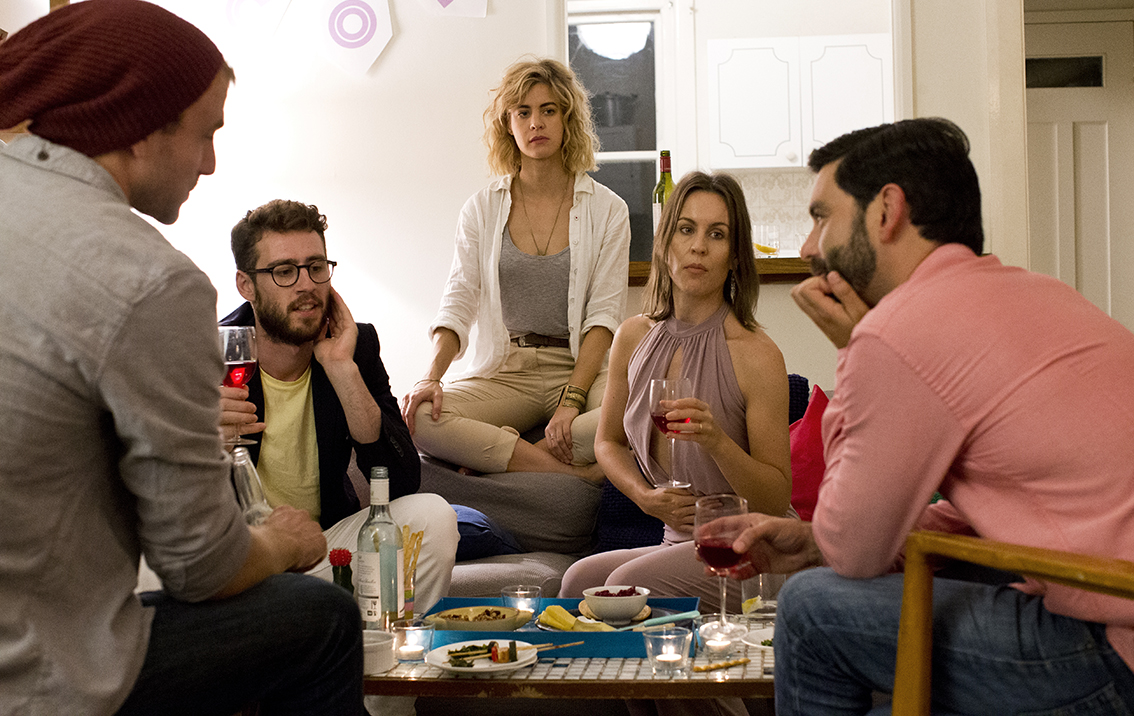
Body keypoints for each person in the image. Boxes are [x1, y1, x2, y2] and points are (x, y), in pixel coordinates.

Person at [0, 0, 363, 716]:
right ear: (141, 127)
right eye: (206, 134)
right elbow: (201, 566)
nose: (211, 163)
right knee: (320, 618)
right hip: (37, 675)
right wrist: (283, 543)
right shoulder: (148, 278)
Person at [701, 117, 1134, 715]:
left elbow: (855, 553)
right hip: (1105, 605)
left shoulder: (901, 331)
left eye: (822, 217)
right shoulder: (1038, 293)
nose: (807, 248)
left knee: (809, 610)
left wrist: (853, 351)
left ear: (887, 211)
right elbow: (1023, 506)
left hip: (1111, 648)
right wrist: (813, 542)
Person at [559, 171, 792, 613]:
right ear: (665, 244)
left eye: (717, 234)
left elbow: (776, 499)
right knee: (578, 581)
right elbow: (608, 443)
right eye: (686, 229)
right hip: (678, 542)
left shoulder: (757, 354)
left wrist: (716, 440)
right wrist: (645, 497)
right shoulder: (632, 336)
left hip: (750, 545)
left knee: (625, 586)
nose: (698, 246)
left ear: (735, 256)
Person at [218, 198, 459, 615]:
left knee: (433, 515)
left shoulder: (355, 346)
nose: (306, 284)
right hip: (243, 558)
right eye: (284, 271)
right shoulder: (211, 355)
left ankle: (378, 648)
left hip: (323, 551)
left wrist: (342, 371)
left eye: (316, 267)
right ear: (246, 285)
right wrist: (203, 440)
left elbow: (402, 482)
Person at [400, 57, 630, 481]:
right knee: (419, 418)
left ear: (567, 119)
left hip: (578, 370)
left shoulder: (609, 210)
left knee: (637, 414)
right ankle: (575, 473)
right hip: (508, 372)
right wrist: (430, 378)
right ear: (508, 124)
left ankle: (512, 457)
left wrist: (572, 401)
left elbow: (603, 318)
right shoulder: (481, 208)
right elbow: (458, 302)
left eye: (548, 110)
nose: (535, 123)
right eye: (522, 112)